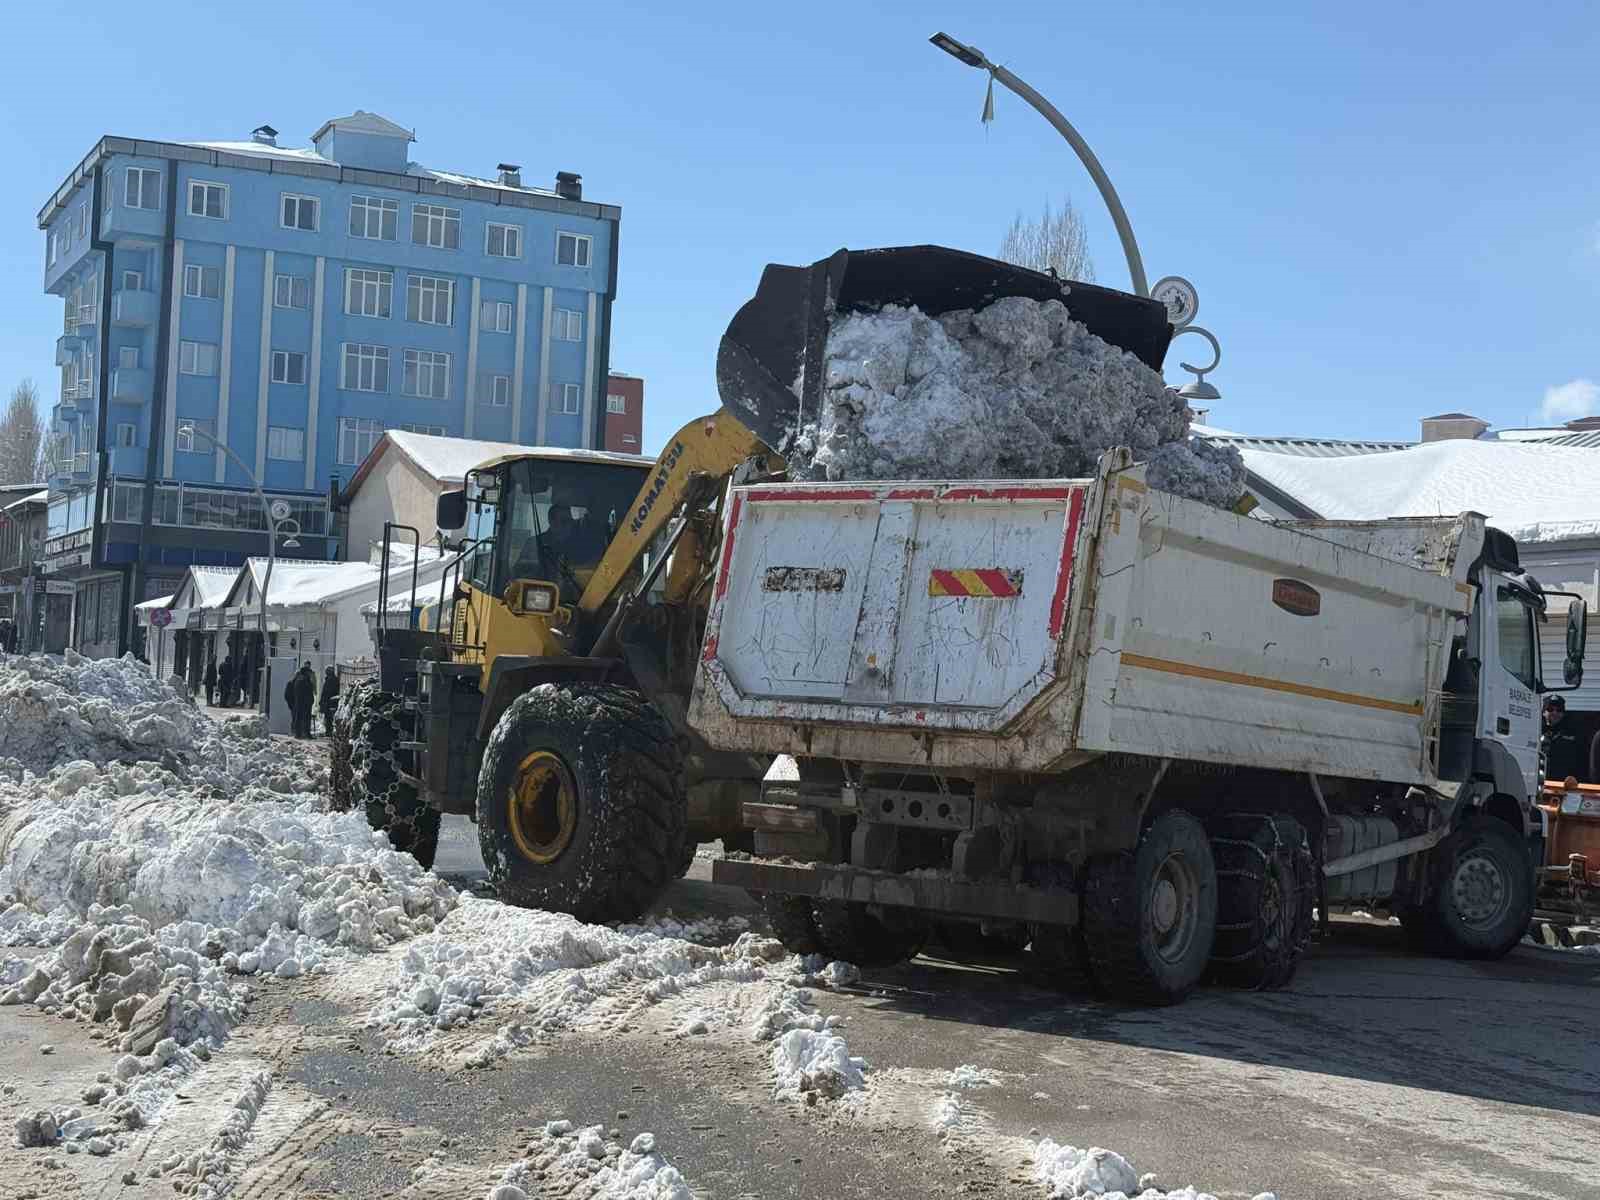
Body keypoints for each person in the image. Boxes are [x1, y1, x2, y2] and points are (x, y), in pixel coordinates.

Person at [1543, 696, 1583, 783]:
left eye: (1559, 710)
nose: (1555, 713)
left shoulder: (1573, 733)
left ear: (1563, 713)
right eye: (1550, 709)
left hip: (1564, 786)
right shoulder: (1535, 731)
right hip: (1538, 784)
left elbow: (1581, 761)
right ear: (1543, 712)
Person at [320, 665, 341, 738]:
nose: (326, 672)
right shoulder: (332, 679)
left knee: (329, 718)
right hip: (330, 702)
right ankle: (328, 732)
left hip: (330, 702)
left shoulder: (331, 680)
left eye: (327, 671)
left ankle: (329, 732)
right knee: (328, 718)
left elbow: (327, 692)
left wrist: (323, 701)